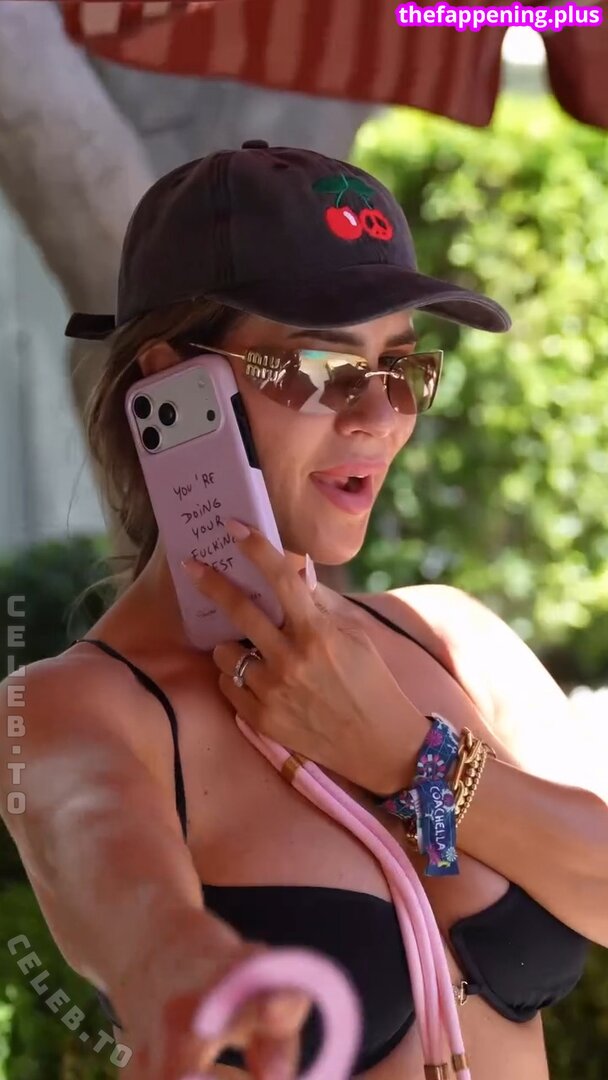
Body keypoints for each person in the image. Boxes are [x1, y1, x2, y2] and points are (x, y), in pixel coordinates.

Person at [1, 139, 605, 1080]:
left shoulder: (452, 637)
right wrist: (183, 968)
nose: (380, 416)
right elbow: (116, 886)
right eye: (320, 366)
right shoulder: (69, 709)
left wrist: (408, 756)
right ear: (170, 385)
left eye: (402, 368)